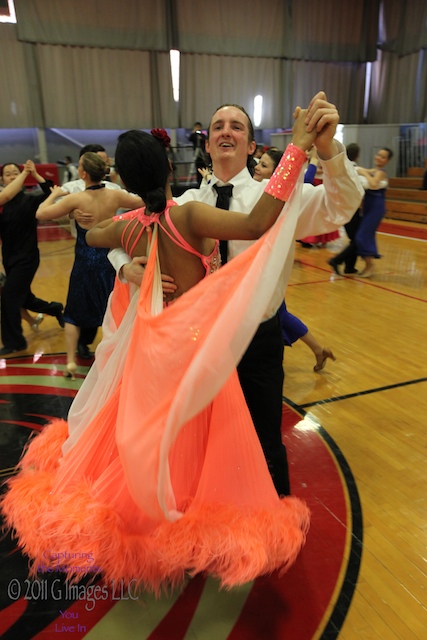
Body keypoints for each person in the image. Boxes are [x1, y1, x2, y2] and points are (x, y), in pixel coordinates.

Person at [2, 107, 319, 592]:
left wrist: (104, 231)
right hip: (198, 352)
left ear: (124, 177)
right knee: (209, 449)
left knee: (168, 449)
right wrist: (295, 148)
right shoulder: (189, 214)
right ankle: (206, 536)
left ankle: (164, 531)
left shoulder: (131, 226)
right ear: (172, 169)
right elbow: (257, 225)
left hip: (154, 352)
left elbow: (90, 234)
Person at [109, 91, 364, 498]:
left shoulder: (279, 201)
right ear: (208, 144)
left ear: (250, 146)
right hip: (197, 340)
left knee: (264, 438)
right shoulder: (186, 204)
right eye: (218, 127)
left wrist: (327, 148)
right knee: (203, 438)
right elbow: (119, 233)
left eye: (237, 126)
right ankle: (213, 519)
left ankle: (270, 524)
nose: (226, 131)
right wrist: (127, 266)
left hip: (257, 340)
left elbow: (342, 206)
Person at [36, 152, 143, 378]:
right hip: (109, 260)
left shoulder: (77, 198)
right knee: (112, 310)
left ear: (83, 173)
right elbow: (142, 201)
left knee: (74, 312)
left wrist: (53, 194)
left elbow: (41, 213)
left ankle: (71, 362)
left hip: (85, 261)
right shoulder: (115, 195)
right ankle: (116, 358)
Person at [253, 148, 336, 372]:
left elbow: (308, 181)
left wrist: (314, 160)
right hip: (262, 270)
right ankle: (318, 350)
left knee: (279, 315)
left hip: (269, 270)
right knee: (282, 314)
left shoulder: (284, 197)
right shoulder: (255, 192)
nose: (257, 168)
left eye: (263, 165)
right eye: (258, 163)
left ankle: (317, 350)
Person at [61, 144, 124, 359]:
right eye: (99, 160)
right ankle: (84, 343)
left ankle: (110, 348)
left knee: (110, 300)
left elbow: (129, 208)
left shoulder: (113, 190)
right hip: (84, 250)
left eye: (105, 160)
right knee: (83, 301)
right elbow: (58, 209)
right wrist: (73, 214)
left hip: (110, 253)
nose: (103, 164)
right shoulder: (71, 187)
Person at [0, 161, 65, 356]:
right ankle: (54, 308)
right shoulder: (2, 204)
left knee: (9, 299)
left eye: (15, 173)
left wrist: (34, 174)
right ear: (2, 179)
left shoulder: (30, 200)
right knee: (24, 299)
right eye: (8, 174)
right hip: (9, 259)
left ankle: (15, 342)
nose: (12, 176)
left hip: (27, 258)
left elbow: (51, 190)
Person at [354, 147, 393, 278]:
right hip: (368, 207)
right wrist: (362, 171)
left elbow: (374, 184)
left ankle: (370, 265)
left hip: (376, 207)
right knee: (366, 236)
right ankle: (368, 265)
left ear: (387, 160)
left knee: (361, 236)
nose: (379, 158)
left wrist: (364, 174)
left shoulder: (381, 172)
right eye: (378, 155)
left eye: (383, 157)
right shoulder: (374, 170)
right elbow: (360, 170)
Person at [328, 143, 362, 276]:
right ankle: (337, 260)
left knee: (355, 239)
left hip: (343, 206)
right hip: (351, 207)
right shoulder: (354, 169)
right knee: (358, 239)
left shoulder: (343, 167)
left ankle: (349, 267)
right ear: (358, 155)